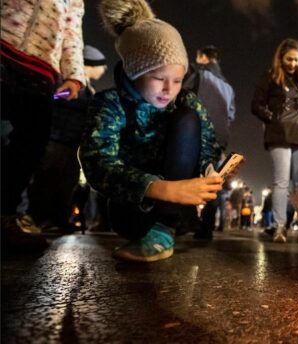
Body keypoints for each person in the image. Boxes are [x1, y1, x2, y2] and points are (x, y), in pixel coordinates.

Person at [79, 0, 222, 262]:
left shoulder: (185, 101)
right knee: (131, 216)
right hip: (133, 207)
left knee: (188, 118)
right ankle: (153, 231)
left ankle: (168, 226)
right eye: (158, 78)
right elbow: (98, 163)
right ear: (135, 71)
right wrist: (165, 189)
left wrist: (209, 169)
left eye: (177, 80)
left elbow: (208, 144)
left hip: (178, 207)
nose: (169, 89)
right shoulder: (110, 104)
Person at [1, 0, 86, 253]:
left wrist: (73, 75)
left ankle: (6, 215)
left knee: (32, 141)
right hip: (3, 49)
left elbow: (72, 31)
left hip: (41, 67)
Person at [24, 45, 108, 233]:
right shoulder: (68, 82)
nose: (104, 70)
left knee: (66, 183)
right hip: (56, 139)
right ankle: (37, 218)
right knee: (46, 181)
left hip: (72, 144)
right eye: (101, 65)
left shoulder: (89, 88)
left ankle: (59, 218)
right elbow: (56, 97)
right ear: (90, 64)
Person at [251, 38, 298, 243]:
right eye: (289, 59)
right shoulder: (270, 76)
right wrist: (273, 119)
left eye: (297, 60)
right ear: (281, 57)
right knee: (281, 182)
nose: (293, 64)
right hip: (279, 133)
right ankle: (279, 226)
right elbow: (256, 105)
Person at [183, 46, 236, 239]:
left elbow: (184, 96)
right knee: (210, 178)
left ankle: (186, 220)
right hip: (219, 137)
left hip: (196, 130)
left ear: (202, 57)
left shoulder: (199, 75)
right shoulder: (228, 86)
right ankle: (206, 228)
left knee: (187, 173)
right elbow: (230, 115)